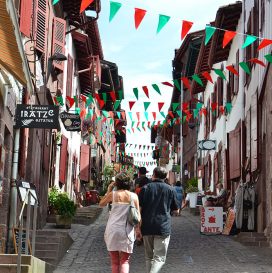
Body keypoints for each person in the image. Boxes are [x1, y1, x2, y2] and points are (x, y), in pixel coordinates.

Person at [138, 166, 179, 273]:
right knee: (159, 258)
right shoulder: (171, 189)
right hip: (163, 226)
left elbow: (139, 210)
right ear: (165, 177)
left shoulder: (145, 188)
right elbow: (176, 211)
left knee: (149, 257)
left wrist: (137, 227)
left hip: (146, 226)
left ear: (154, 175)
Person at [99, 172, 141, 273]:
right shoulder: (133, 196)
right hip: (127, 230)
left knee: (114, 261)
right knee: (125, 261)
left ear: (117, 183)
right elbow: (138, 216)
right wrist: (138, 229)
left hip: (112, 229)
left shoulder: (113, 195)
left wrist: (109, 189)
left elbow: (101, 204)